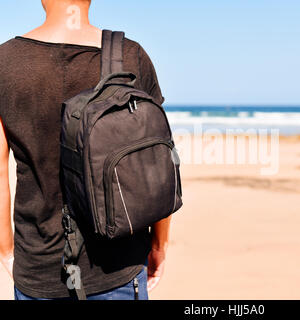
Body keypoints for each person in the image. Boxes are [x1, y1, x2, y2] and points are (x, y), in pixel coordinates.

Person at [0, 0, 172, 300]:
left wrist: (7, 251)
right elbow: (157, 164)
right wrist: (159, 245)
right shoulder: (130, 55)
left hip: (37, 267)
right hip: (119, 266)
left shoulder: (5, 61)